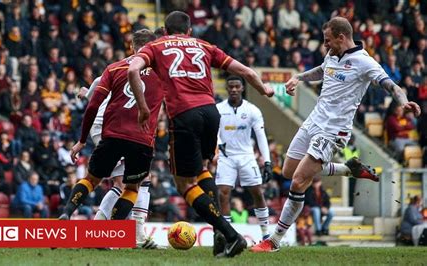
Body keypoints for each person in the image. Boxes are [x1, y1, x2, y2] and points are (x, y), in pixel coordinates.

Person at [251, 17, 421, 253]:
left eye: (327, 40)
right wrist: (299, 77)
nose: (325, 45)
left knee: (299, 181)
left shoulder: (364, 62)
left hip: (334, 130)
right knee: (289, 171)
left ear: (341, 37)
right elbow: (322, 70)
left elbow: (391, 86)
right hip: (313, 120)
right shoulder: (332, 54)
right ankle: (347, 169)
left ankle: (274, 240)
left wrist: (403, 102)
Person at [128, 11, 274, 258]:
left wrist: (143, 108)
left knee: (184, 183)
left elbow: (133, 70)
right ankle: (221, 233)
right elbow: (247, 72)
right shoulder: (204, 45)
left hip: (185, 114)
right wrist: (266, 89)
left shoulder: (157, 45)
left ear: (164, 30)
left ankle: (230, 234)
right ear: (189, 31)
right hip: (211, 112)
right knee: (203, 169)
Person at [58, 29, 164, 247]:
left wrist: (82, 139)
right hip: (139, 138)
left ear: (132, 47)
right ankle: (118, 234)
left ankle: (68, 213)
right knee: (132, 186)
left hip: (111, 133)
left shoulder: (114, 67)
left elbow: (92, 104)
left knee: (93, 179)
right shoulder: (162, 72)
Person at [215, 75, 273, 240]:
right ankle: (227, 235)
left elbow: (261, 136)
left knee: (257, 192)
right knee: (223, 193)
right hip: (227, 157)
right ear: (226, 89)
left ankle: (266, 234)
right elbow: (214, 131)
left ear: (242, 88)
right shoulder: (218, 109)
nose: (233, 89)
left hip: (247, 156)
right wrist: (219, 143)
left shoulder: (252, 110)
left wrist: (267, 162)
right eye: (230, 86)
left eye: (236, 87)